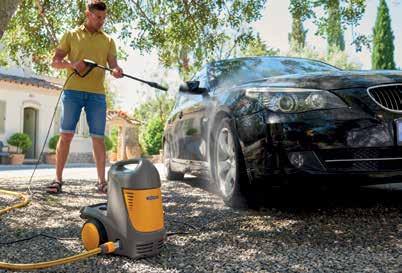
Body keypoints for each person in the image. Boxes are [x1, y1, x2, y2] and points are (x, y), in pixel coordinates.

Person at [47, 1, 123, 194]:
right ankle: (57, 180)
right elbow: (55, 62)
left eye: (104, 18)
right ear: (87, 14)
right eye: (98, 17)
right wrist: (72, 65)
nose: (101, 22)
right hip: (72, 92)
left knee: (98, 138)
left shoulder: (108, 40)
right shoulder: (71, 35)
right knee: (66, 136)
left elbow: (113, 63)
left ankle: (101, 182)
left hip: (97, 95)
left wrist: (116, 70)